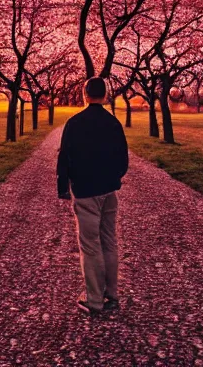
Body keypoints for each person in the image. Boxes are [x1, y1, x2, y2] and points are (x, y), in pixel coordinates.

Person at [57, 77, 129, 315]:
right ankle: (113, 295)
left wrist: (63, 188)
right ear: (106, 95)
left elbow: (64, 158)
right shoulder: (114, 123)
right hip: (109, 191)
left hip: (86, 191)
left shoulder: (74, 123)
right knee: (109, 240)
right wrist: (113, 178)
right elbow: (123, 161)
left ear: (85, 94)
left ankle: (95, 300)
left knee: (90, 246)